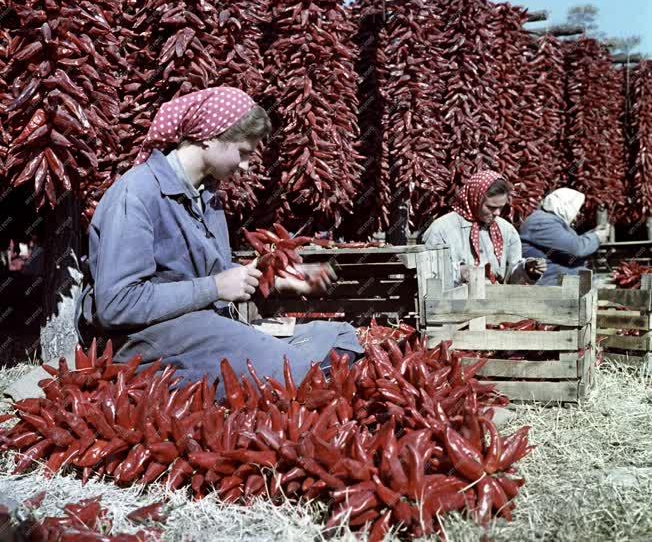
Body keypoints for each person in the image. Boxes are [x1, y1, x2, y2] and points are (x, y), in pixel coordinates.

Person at [81, 86, 362, 398]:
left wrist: (275, 280)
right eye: (242, 153)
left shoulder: (207, 197)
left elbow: (207, 272)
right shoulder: (137, 194)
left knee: (339, 336)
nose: (245, 166)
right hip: (145, 338)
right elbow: (116, 305)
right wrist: (215, 288)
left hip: (200, 325)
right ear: (208, 138)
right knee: (294, 371)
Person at [422, 170, 547, 287]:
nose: (497, 213)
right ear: (474, 200)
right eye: (491, 207)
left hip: (497, 305)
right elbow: (428, 273)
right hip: (453, 306)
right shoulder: (441, 229)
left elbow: (511, 278)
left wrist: (527, 270)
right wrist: (459, 272)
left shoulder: (507, 231)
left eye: (501, 207)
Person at [519, 187, 610, 286]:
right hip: (551, 289)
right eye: (576, 209)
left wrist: (592, 233)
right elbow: (576, 249)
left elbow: (569, 243)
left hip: (561, 285)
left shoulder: (551, 221)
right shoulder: (541, 222)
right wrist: (596, 237)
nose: (578, 214)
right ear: (565, 206)